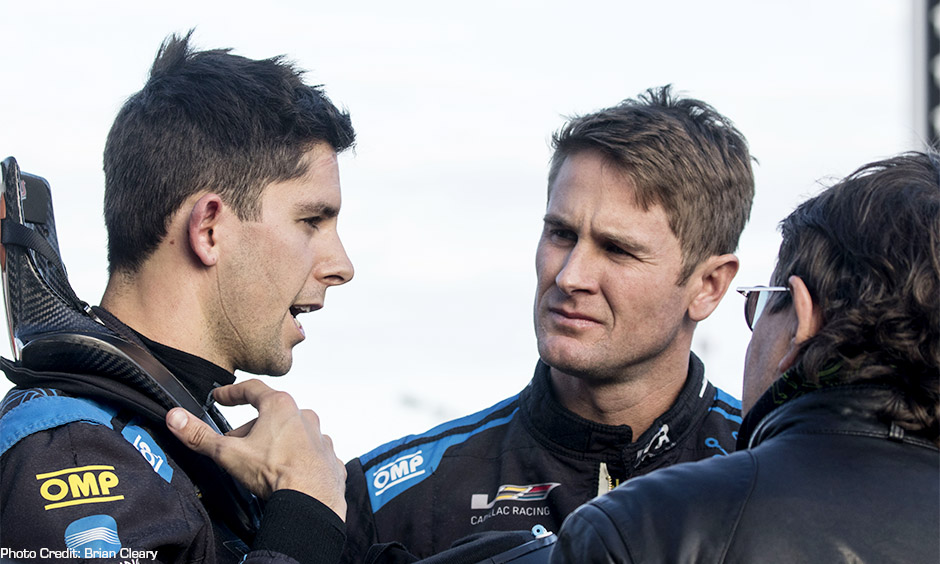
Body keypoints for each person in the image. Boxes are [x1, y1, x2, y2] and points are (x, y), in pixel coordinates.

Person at [339, 86, 755, 560]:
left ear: (709, 286)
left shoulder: (777, 477)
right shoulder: (390, 497)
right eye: (561, 234)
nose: (569, 275)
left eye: (617, 249)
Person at [0, 32, 355, 564]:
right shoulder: (71, 451)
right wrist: (306, 516)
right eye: (311, 220)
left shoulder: (173, 441)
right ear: (209, 230)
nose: (341, 267)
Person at [549, 152, 940, 563]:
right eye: (559, 234)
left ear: (802, 321)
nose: (569, 277)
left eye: (765, 302)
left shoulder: (637, 528)